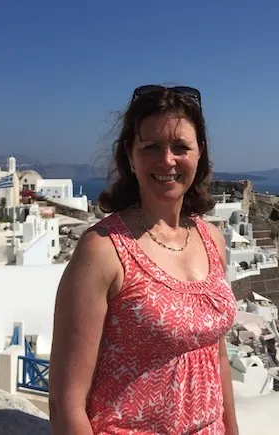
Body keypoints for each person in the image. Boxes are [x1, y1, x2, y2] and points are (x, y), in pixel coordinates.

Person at [49, 85, 239, 434]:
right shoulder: (104, 249)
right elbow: (66, 403)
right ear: (129, 156)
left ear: (200, 155)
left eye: (181, 147)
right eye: (151, 147)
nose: (167, 160)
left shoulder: (211, 239)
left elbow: (218, 357)